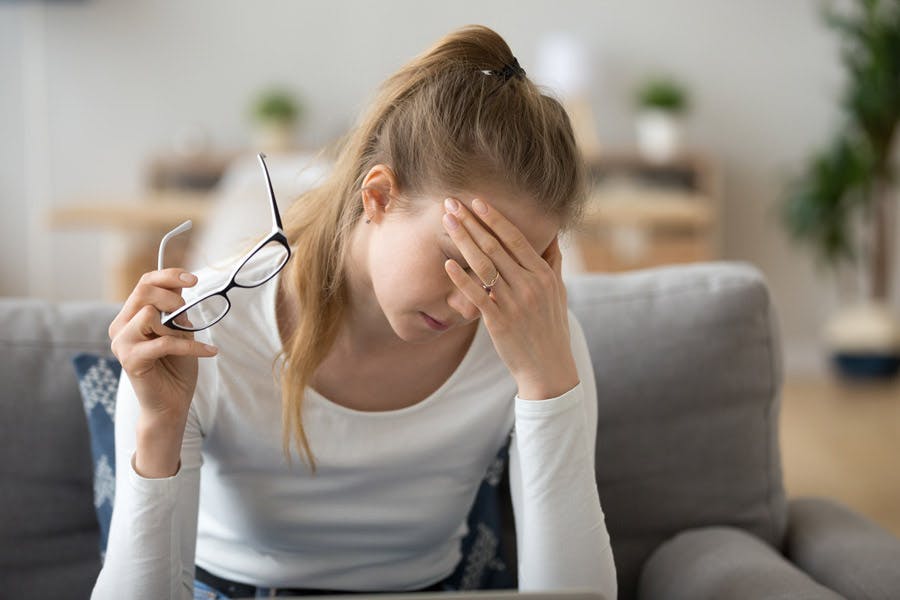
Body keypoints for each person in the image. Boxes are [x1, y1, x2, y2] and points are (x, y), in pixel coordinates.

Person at [93, 24, 617, 600]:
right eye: (459, 256)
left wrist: (547, 386)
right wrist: (159, 425)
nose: (472, 304)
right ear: (379, 197)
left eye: (508, 270)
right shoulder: (208, 325)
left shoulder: (534, 337)